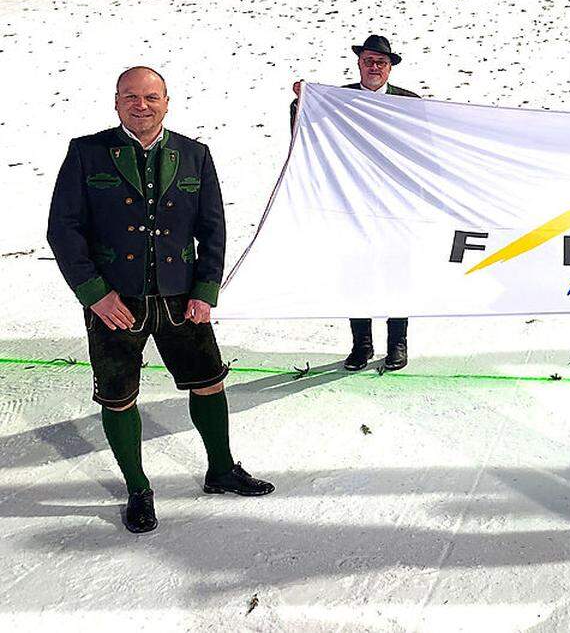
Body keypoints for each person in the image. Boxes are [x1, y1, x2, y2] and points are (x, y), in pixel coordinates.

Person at [47, 67, 275, 534]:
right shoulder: (87, 153)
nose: (141, 105)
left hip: (180, 299)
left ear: (167, 102)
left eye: (151, 97)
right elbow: (63, 230)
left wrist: (206, 290)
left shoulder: (194, 154)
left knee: (209, 381)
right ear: (116, 102)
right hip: (115, 302)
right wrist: (94, 294)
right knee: (118, 397)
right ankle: (138, 489)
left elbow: (213, 229)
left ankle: (221, 469)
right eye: (131, 97)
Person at [290, 34, 419, 371]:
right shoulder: (337, 99)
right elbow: (304, 129)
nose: (374, 67)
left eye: (381, 62)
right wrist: (301, 101)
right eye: (368, 61)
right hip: (351, 202)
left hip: (396, 207)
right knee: (356, 272)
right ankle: (361, 345)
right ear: (359, 63)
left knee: (397, 274)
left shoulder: (410, 102)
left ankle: (397, 343)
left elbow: (424, 148)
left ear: (390, 68)